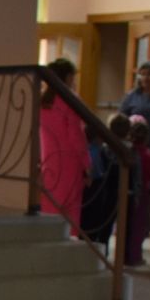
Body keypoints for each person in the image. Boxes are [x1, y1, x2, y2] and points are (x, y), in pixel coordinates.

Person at [39, 57, 90, 238]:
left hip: (48, 160)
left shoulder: (44, 102)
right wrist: (86, 165)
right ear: (68, 78)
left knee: (50, 203)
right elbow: (76, 136)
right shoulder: (70, 101)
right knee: (70, 208)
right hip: (69, 161)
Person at [125, 118, 150, 267]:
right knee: (138, 226)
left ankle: (125, 254)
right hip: (142, 193)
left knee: (127, 225)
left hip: (128, 191)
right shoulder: (148, 154)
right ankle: (135, 255)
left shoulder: (127, 151)